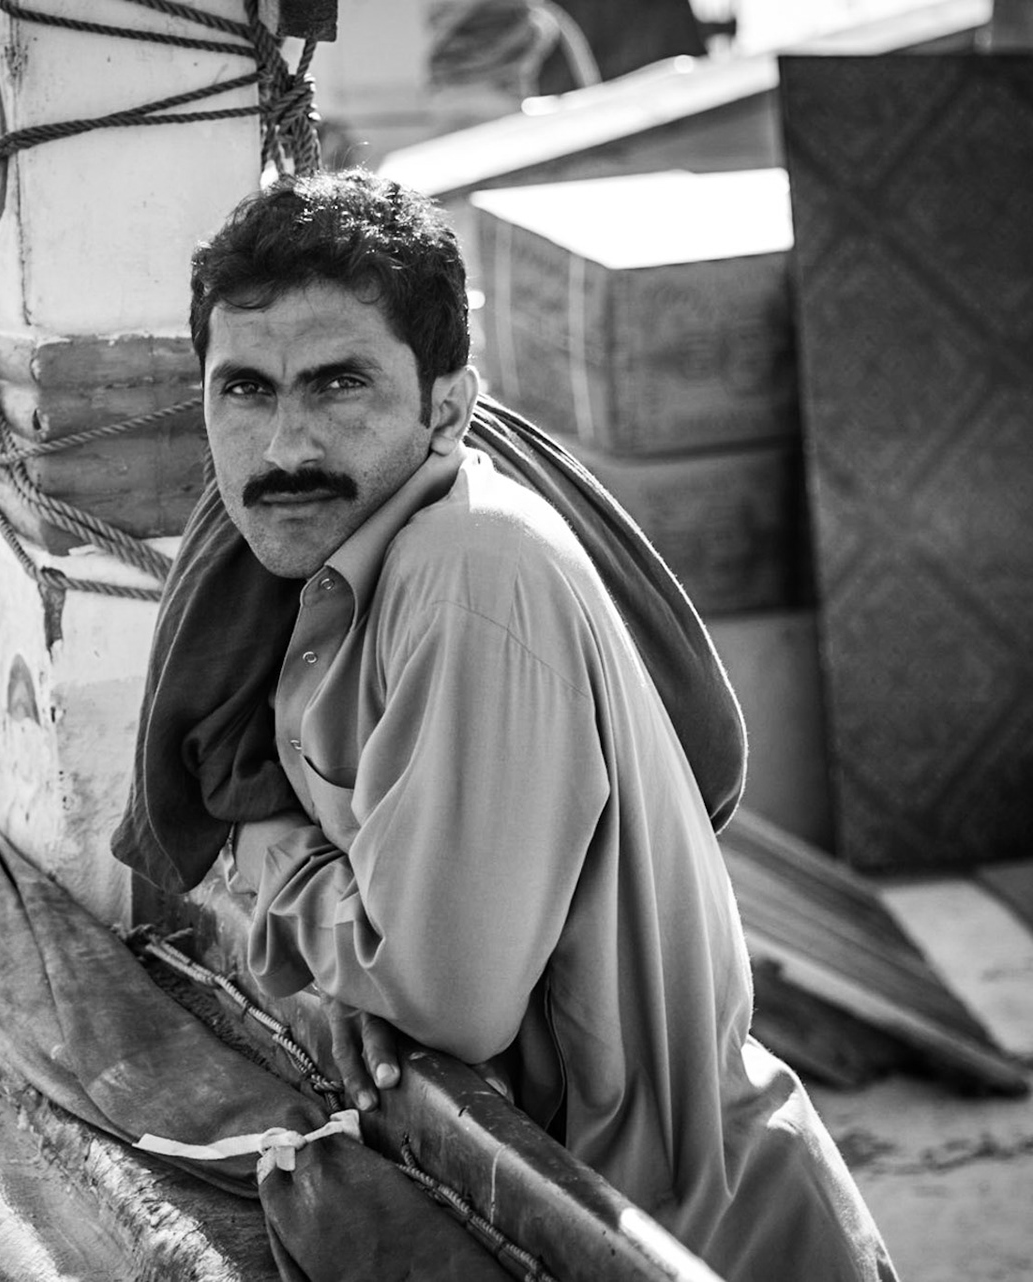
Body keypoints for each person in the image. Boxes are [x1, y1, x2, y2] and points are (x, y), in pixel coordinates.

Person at [127, 169, 895, 1281]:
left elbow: (440, 997)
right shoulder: (361, 567)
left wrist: (260, 852)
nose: (284, 442)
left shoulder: (466, 575)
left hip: (691, 1238)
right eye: (243, 390)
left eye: (339, 383)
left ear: (447, 402)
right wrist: (345, 945)